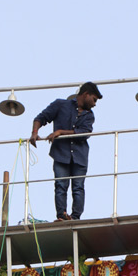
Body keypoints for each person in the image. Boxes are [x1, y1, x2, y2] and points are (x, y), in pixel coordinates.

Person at [30, 82, 103, 221]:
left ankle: (75, 217)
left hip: (79, 157)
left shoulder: (89, 116)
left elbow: (84, 134)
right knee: (60, 185)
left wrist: (60, 132)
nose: (94, 104)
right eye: (94, 99)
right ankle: (62, 215)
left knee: (78, 188)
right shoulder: (60, 105)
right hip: (61, 154)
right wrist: (34, 133)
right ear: (86, 94)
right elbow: (40, 118)